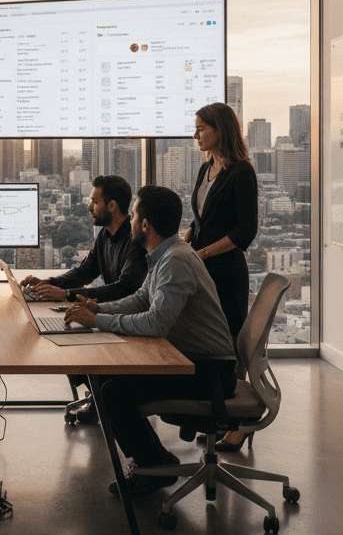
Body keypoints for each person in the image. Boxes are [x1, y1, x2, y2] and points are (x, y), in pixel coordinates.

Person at [65, 186, 237, 497]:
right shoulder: (165, 254)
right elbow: (140, 299)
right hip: (189, 360)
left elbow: (156, 323)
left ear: (145, 225)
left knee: (114, 393)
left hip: (209, 372)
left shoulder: (175, 261)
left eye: (133, 216)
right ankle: (153, 462)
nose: (129, 220)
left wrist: (98, 321)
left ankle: (154, 466)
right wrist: (98, 308)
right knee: (104, 377)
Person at [21, 175, 148, 423]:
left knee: (71, 336)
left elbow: (126, 288)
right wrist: (49, 284)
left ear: (111, 205)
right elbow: (85, 271)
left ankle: (101, 401)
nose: (89, 207)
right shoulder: (105, 236)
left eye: (94, 201)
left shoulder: (133, 241)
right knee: (64, 332)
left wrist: (66, 295)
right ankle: (97, 398)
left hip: (128, 319)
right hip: (110, 312)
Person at [187, 101, 259, 452]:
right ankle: (216, 411)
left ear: (219, 130)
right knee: (207, 340)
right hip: (201, 269)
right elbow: (202, 217)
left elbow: (245, 230)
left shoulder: (241, 171)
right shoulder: (207, 168)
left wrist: (202, 253)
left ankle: (240, 423)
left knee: (230, 343)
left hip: (226, 272)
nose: (196, 134)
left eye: (202, 128)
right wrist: (187, 241)